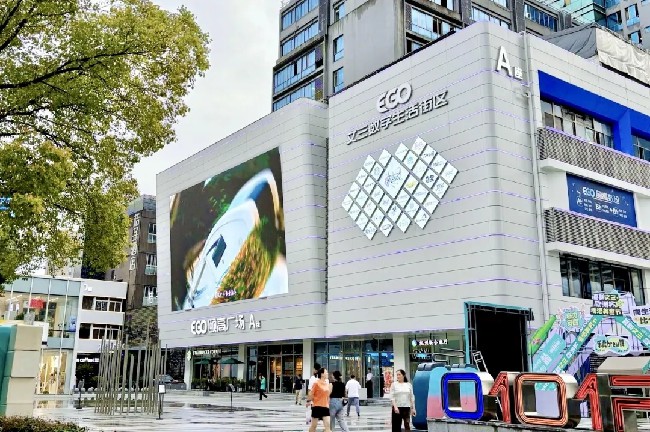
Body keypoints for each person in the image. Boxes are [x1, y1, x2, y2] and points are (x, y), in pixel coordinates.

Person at [307, 367, 332, 432]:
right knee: (313, 427)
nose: (327, 373)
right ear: (322, 374)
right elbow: (311, 393)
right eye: (326, 372)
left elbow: (327, 395)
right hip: (317, 407)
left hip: (325, 407)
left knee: (328, 427)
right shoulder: (316, 383)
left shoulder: (327, 384)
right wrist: (309, 401)